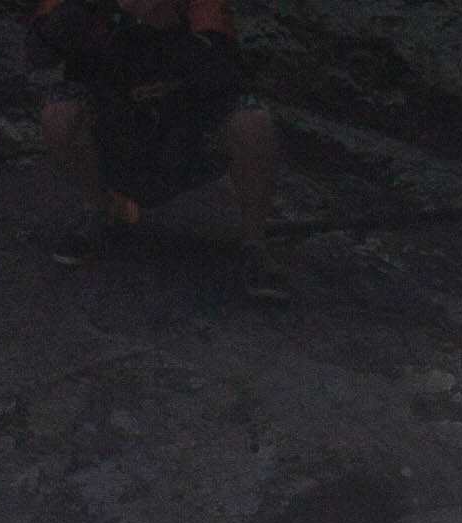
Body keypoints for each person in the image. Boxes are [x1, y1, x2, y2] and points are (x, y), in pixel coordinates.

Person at [36, 0, 287, 300]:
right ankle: (99, 212)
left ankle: (254, 244)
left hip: (185, 131)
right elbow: (37, 57)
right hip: (114, 128)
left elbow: (226, 72)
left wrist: (173, 31)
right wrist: (65, 24)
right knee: (58, 114)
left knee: (253, 121)